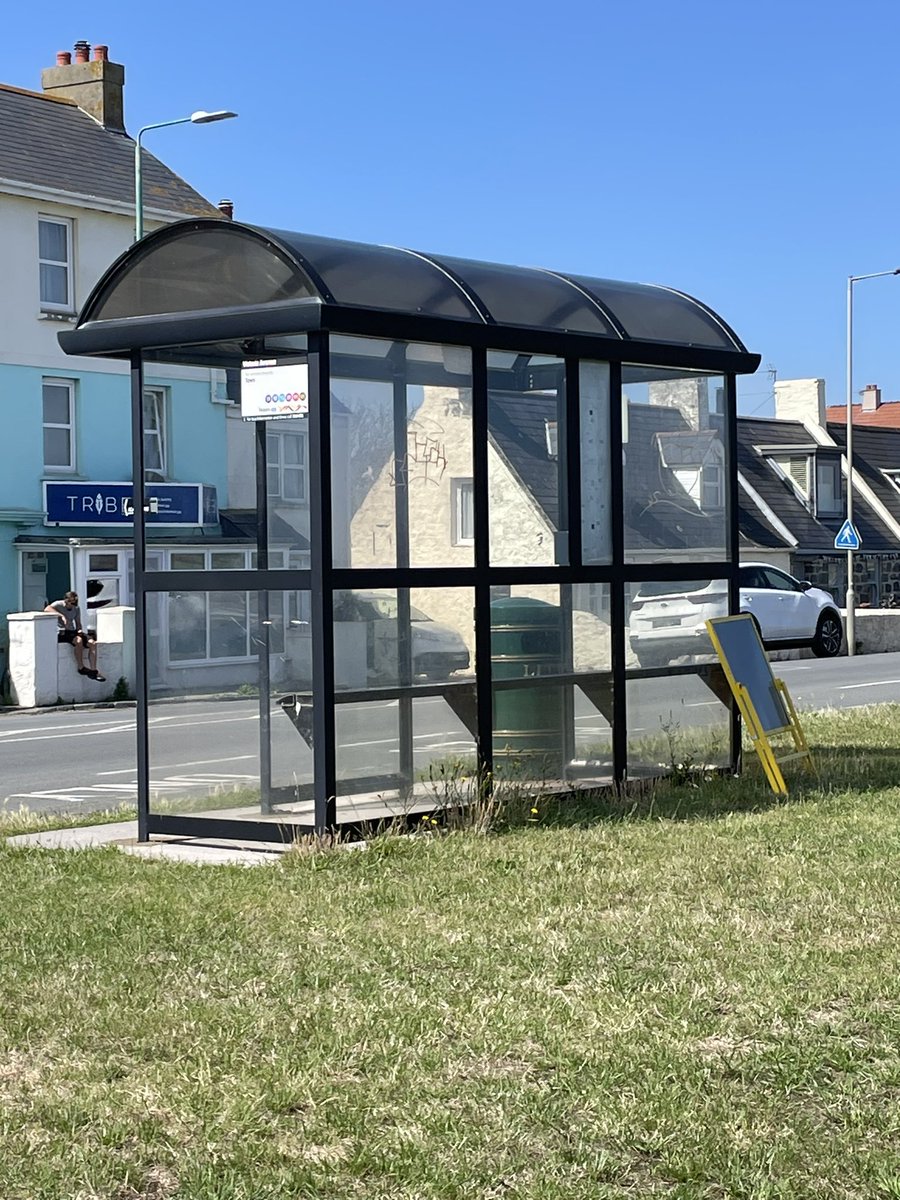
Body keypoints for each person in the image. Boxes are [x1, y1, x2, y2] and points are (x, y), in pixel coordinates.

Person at [44, 591, 106, 681]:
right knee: (78, 641)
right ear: (66, 601)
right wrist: (61, 616)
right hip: (62, 632)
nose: (72, 606)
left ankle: (93, 670)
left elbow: (78, 623)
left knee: (92, 643)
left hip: (72, 631)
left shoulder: (76, 608)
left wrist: (80, 630)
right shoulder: (58, 604)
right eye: (71, 603)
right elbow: (47, 609)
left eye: (74, 603)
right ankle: (81, 667)